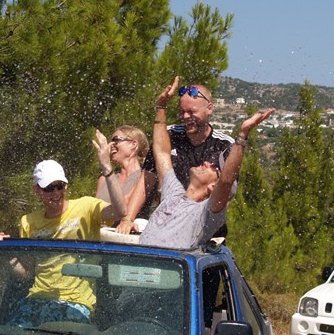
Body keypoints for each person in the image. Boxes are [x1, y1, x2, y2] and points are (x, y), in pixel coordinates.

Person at [0, 129, 127, 327]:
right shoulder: (28, 221)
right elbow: (27, 273)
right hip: (36, 299)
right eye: (48, 188)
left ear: (66, 186)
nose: (55, 193)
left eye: (59, 186)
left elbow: (121, 211)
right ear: (37, 190)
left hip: (76, 303)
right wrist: (5, 254)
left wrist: (107, 168)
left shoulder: (86, 207)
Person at [138, 76, 274, 249]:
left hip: (179, 261)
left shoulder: (206, 213)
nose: (209, 163)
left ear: (213, 187)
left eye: (215, 168)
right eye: (182, 112)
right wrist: (161, 106)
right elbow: (162, 152)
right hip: (144, 261)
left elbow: (226, 181)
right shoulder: (173, 193)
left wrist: (242, 136)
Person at [115, 78, 239, 236]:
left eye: (192, 112)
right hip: (169, 223)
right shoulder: (168, 135)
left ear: (209, 108)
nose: (186, 117)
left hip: (206, 229)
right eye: (182, 112)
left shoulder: (225, 146)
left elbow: (225, 195)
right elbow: (147, 179)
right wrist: (128, 219)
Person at [95, 125, 152, 224]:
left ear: (133, 144)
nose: (111, 145)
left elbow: (122, 207)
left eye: (116, 140)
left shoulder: (146, 177)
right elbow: (94, 211)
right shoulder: (103, 179)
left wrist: (106, 164)